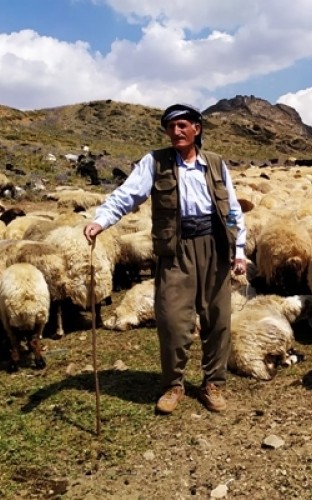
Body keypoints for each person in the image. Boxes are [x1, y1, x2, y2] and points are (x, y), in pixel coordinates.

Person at [83, 103, 247, 415]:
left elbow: (232, 209)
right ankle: (174, 384)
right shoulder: (155, 162)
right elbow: (127, 194)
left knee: (218, 318)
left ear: (197, 129)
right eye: (171, 127)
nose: (176, 132)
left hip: (214, 244)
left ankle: (213, 382)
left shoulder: (215, 163)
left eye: (183, 126)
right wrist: (101, 221)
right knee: (172, 319)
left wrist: (238, 250)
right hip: (176, 248)